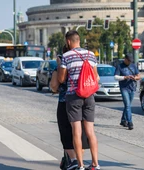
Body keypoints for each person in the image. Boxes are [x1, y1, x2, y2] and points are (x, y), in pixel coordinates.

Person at [58, 30, 100, 170]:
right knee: (90, 131)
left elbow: (61, 79)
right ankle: (95, 164)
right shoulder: (91, 54)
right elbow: (96, 77)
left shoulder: (66, 56)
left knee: (76, 131)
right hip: (89, 96)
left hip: (74, 96)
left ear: (68, 42)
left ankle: (81, 165)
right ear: (79, 40)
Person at [55, 45, 90, 170]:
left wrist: (59, 66)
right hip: (85, 98)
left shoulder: (63, 62)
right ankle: (82, 160)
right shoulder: (87, 58)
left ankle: (74, 161)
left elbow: (54, 85)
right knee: (82, 132)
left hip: (66, 101)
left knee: (67, 131)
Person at [114, 54, 140, 130]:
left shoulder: (133, 66)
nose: (129, 62)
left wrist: (134, 77)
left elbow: (138, 76)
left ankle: (123, 120)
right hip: (124, 88)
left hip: (132, 87)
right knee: (128, 105)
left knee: (127, 105)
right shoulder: (120, 66)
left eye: (130, 61)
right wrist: (125, 77)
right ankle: (130, 122)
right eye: (128, 60)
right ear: (125, 59)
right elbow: (115, 77)